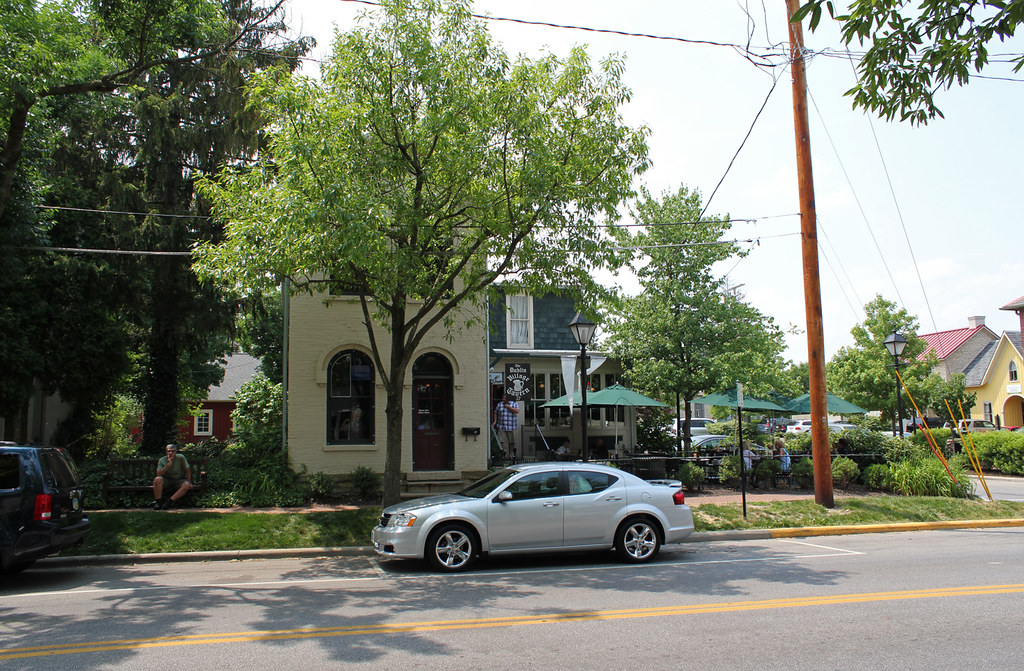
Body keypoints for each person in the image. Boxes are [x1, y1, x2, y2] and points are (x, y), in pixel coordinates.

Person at [153, 443, 192, 510]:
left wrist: (189, 481)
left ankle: (169, 502)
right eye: (169, 451)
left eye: (172, 451)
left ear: (176, 452)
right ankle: (158, 502)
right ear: (166, 452)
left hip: (179, 480)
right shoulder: (162, 460)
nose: (170, 453)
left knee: (187, 485)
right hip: (166, 480)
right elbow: (158, 474)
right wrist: (168, 465)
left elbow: (187, 470)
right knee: (157, 479)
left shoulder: (181, 458)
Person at [492, 394, 519, 458]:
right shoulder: (499, 404)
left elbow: (517, 411)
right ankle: (504, 454)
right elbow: (495, 412)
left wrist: (508, 407)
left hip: (511, 426)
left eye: (505, 398)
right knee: (502, 441)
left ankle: (510, 455)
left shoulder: (514, 404)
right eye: (503, 398)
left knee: (511, 441)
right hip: (501, 426)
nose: (504, 400)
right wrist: (495, 421)